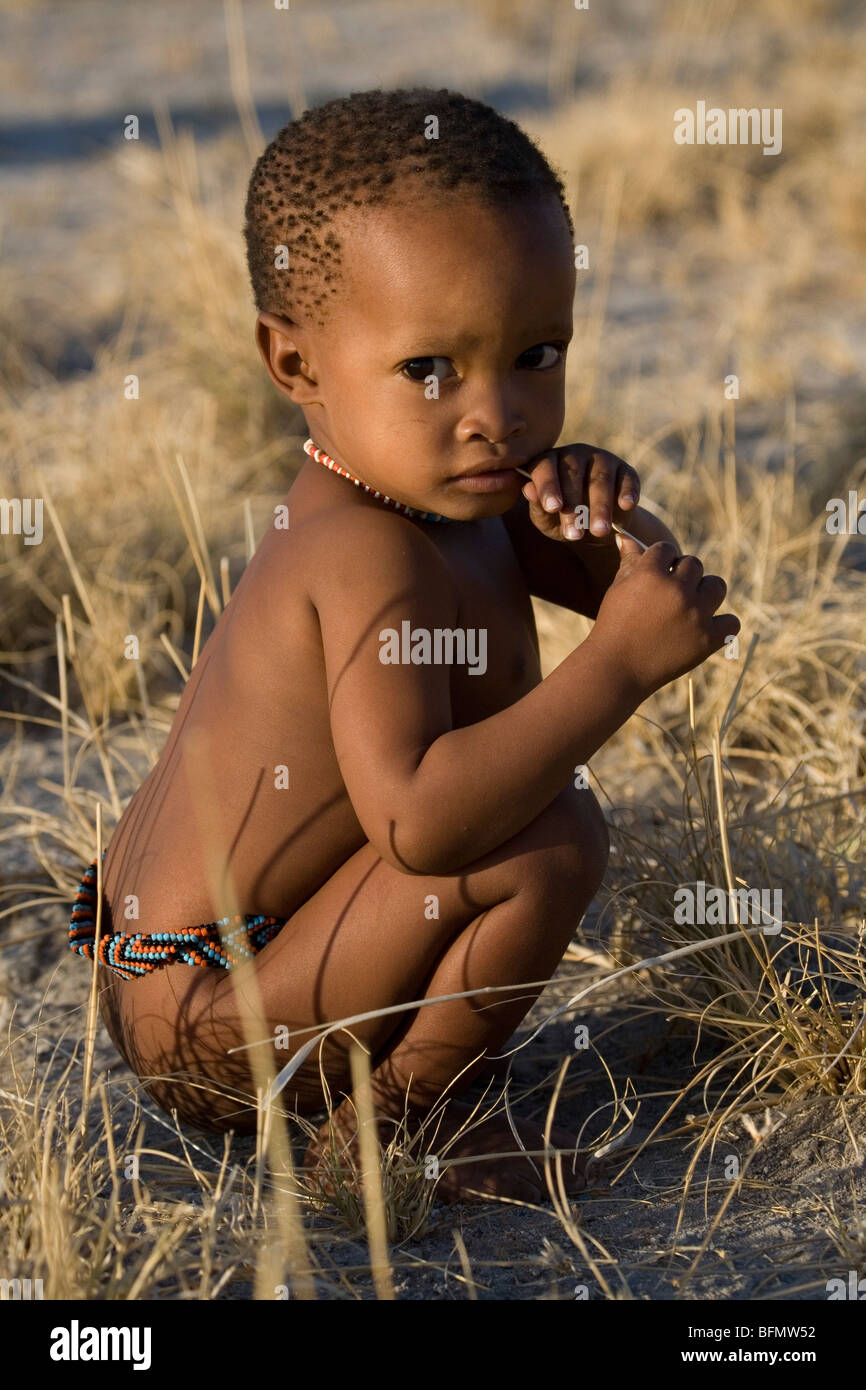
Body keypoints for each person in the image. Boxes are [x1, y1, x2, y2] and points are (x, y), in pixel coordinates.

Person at [69, 88, 738, 1204]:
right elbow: (420, 825)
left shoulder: (442, 501)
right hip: (207, 1023)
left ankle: (398, 1101)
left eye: (534, 353)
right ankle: (396, 1139)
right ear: (294, 367)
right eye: (429, 369)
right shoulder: (360, 552)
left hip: (242, 972)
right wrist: (616, 663)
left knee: (532, 819)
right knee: (547, 838)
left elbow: (642, 593)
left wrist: (613, 528)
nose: (498, 413)